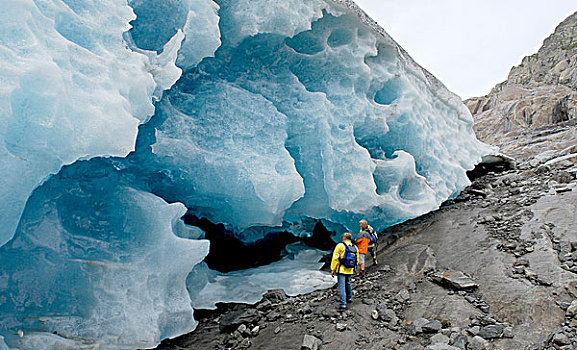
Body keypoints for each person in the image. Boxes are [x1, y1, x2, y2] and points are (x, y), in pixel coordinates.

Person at [331, 232, 358, 309]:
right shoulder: (354, 247)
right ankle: (349, 298)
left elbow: (335, 258)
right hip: (350, 269)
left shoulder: (340, 246)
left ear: (344, 238)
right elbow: (357, 259)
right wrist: (354, 268)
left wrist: (333, 269)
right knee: (348, 283)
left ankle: (343, 303)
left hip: (341, 269)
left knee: (341, 286)